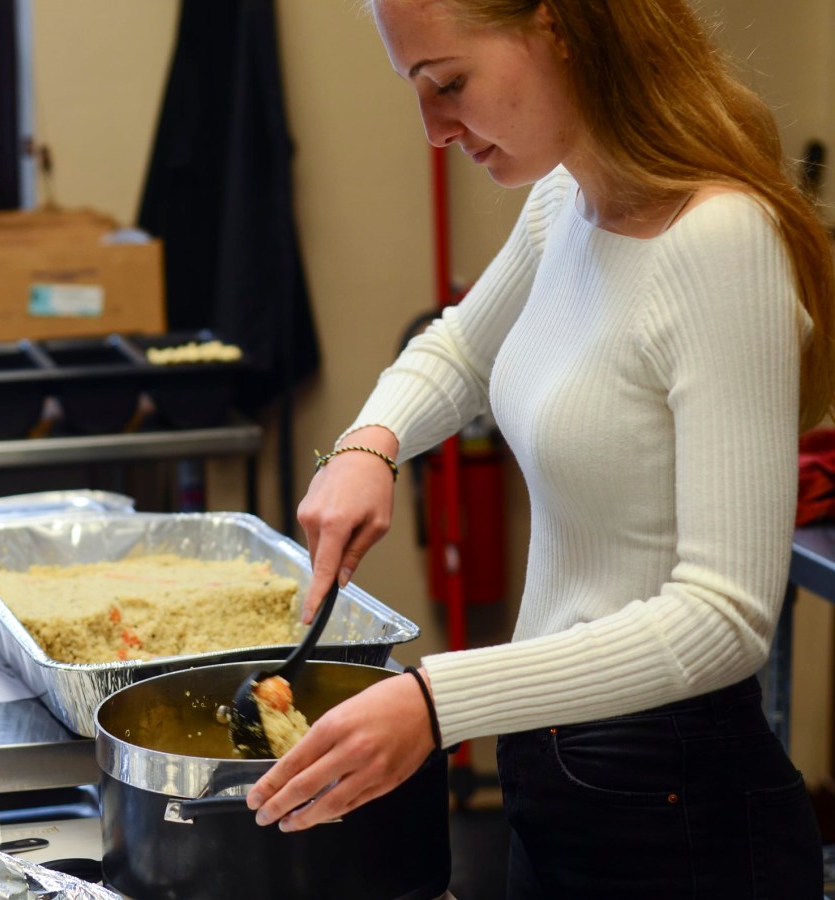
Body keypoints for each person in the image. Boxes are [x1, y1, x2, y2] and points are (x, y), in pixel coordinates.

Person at [245, 1, 835, 896]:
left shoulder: (720, 243)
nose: (435, 130)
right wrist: (368, 445)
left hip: (676, 806)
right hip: (558, 768)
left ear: (559, 26)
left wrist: (437, 702)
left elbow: (725, 619)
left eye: (449, 85)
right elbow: (462, 347)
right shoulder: (567, 197)